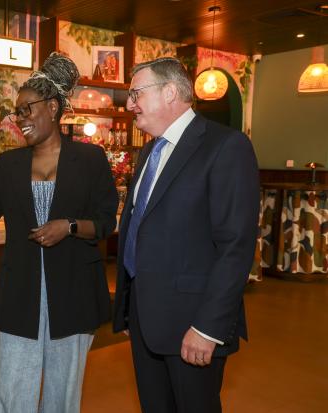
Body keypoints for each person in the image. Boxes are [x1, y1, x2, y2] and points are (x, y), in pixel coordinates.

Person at [0, 52, 118, 413]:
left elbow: (107, 222)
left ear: (52, 107)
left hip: (74, 293)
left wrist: (70, 226)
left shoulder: (90, 160)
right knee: (12, 386)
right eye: (17, 112)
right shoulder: (10, 164)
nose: (20, 119)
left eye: (26, 109)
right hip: (23, 293)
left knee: (63, 394)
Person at [112, 57, 260, 413]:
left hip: (192, 324)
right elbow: (141, 230)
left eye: (136, 94)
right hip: (147, 319)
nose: (130, 104)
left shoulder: (226, 147)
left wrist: (208, 328)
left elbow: (236, 247)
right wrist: (131, 311)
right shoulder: (148, 150)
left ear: (170, 92)